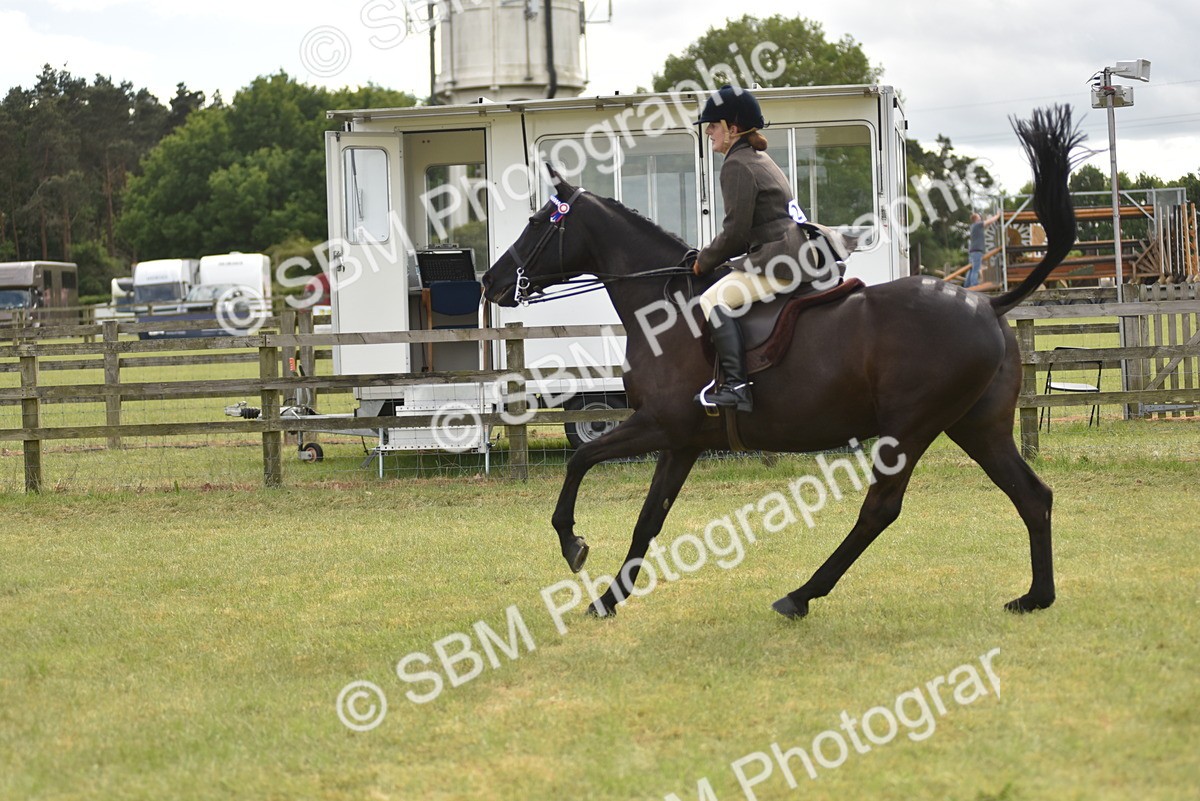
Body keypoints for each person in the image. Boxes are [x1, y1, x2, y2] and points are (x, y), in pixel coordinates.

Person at [690, 85, 839, 413]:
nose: (709, 131)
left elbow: (735, 233)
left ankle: (737, 388)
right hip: (795, 251)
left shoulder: (736, 164)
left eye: (713, 125)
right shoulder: (758, 157)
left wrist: (704, 261)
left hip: (782, 259)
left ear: (733, 129)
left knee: (712, 299)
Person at [965, 211, 1001, 288]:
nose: (980, 218)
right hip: (977, 251)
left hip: (973, 251)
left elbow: (987, 224)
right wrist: (997, 215)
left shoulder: (974, 226)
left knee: (971, 269)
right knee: (976, 269)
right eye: (979, 217)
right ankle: (974, 285)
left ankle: (967, 285)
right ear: (976, 219)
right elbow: (989, 221)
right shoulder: (978, 225)